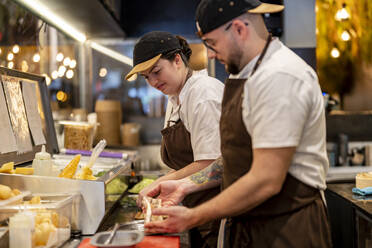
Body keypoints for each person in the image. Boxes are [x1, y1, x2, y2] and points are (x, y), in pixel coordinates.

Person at [143, 1, 333, 247]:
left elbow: (266, 179)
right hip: (251, 224)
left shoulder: (279, 76)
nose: (209, 54)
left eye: (211, 44)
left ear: (239, 29)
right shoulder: (247, 75)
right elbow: (238, 157)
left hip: (287, 229)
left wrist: (193, 216)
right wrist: (184, 186)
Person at [125, 31, 224, 248]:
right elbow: (186, 164)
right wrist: (163, 183)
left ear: (177, 59)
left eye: (156, 72)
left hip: (214, 211)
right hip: (191, 205)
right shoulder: (175, 97)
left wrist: (160, 182)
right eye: (146, 77)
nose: (152, 82)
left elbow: (211, 162)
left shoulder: (203, 94)